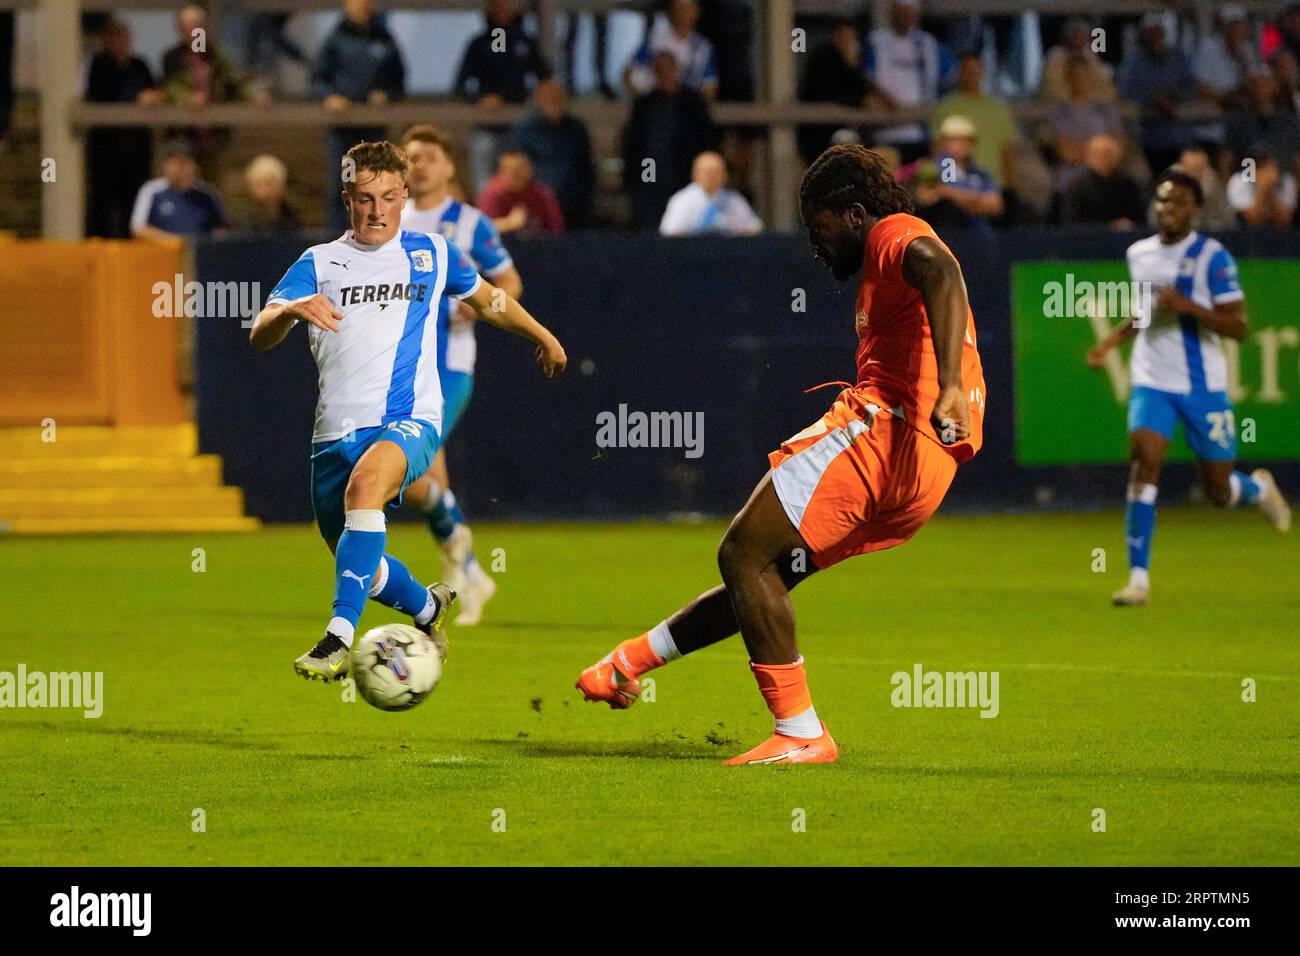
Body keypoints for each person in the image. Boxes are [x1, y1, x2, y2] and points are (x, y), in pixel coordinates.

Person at [576, 145, 987, 764]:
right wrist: (633, 657)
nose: (815, 243)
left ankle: (800, 733)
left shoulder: (891, 234)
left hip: (887, 432)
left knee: (743, 553)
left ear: (853, 213)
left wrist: (951, 384)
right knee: (761, 574)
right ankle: (630, 663)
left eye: (817, 224)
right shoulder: (881, 269)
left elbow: (941, 267)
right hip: (925, 471)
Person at [249, 139, 566, 680]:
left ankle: (337, 638)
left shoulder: (433, 252)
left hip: (410, 417)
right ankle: (427, 608)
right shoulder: (318, 262)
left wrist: (542, 334)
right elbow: (260, 334)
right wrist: (290, 309)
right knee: (362, 566)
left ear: (403, 196)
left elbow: (489, 299)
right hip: (332, 435)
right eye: (366, 198)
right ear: (347, 199)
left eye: (390, 197)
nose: (378, 211)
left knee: (365, 490)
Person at [1086, 166, 1291, 608]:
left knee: (1218, 490)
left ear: (1195, 208)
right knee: (1144, 462)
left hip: (1203, 386)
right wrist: (1111, 341)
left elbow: (1238, 327)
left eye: (1178, 201)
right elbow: (1144, 312)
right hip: (1152, 379)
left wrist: (1188, 306)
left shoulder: (1214, 257)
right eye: (1162, 200)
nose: (1168, 208)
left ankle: (1256, 488)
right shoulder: (1139, 253)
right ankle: (1138, 580)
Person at [400, 125, 525, 625]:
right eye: (411, 157)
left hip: (449, 366)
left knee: (407, 474)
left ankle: (462, 554)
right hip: (401, 369)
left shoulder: (470, 224)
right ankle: (471, 573)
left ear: (450, 167)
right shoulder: (393, 220)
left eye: (430, 156)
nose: (420, 165)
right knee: (429, 480)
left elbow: (509, 279)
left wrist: (479, 307)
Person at [314, 0, 406, 234]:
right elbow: (318, 79)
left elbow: (399, 80)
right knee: (343, 183)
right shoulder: (335, 39)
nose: (362, 6)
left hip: (374, 131)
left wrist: (386, 95)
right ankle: (338, 240)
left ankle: (378, 234)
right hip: (344, 131)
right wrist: (330, 97)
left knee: (377, 182)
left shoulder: (384, 38)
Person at [623, 51, 718, 229]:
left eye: (668, 69)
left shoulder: (692, 104)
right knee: (650, 229)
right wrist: (644, 180)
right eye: (659, 70)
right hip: (651, 180)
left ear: (676, 70)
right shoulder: (645, 105)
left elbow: (705, 141)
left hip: (683, 178)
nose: (664, 74)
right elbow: (638, 147)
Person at [85, 18, 161, 239]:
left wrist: (152, 98)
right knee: (103, 203)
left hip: (136, 149)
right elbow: (101, 97)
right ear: (107, 41)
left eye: (124, 38)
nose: (120, 42)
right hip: (106, 149)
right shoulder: (99, 65)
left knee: (134, 202)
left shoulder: (139, 64)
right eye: (115, 38)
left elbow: (155, 91)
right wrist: (135, 100)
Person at [863, 0, 956, 163]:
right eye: (900, 12)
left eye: (908, 12)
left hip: (920, 130)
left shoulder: (928, 44)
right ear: (892, 13)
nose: (904, 17)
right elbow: (865, 76)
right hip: (885, 130)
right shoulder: (877, 41)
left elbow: (949, 74)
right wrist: (885, 98)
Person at [505, 80, 594, 228]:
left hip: (573, 203)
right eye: (548, 99)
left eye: (557, 99)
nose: (553, 103)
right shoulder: (524, 130)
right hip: (535, 203)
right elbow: (513, 167)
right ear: (539, 101)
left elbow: (586, 168)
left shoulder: (577, 129)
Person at [931, 55, 1016, 185]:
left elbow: (1007, 150)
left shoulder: (998, 108)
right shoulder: (946, 107)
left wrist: (1009, 185)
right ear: (960, 74)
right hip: (957, 186)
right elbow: (939, 150)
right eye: (967, 71)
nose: (971, 75)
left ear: (982, 72)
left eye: (975, 70)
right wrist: (948, 183)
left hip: (993, 186)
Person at [455, 0, 552, 107]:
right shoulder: (479, 45)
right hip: (486, 114)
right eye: (498, 4)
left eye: (507, 3)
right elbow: (460, 85)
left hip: (519, 113)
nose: (503, 7)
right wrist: (480, 99)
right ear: (490, 7)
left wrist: (535, 98)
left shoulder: (526, 43)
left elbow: (546, 78)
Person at [130, 141, 227, 240]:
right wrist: (175, 241)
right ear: (165, 165)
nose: (179, 168)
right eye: (174, 163)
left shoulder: (207, 194)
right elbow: (139, 229)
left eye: (184, 162)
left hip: (200, 252)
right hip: (164, 251)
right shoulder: (152, 190)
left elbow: (220, 229)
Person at [623, 0, 718, 101]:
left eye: (687, 9)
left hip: (686, 107)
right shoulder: (655, 40)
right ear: (670, 13)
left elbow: (710, 85)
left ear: (696, 12)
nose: (682, 14)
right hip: (654, 104)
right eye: (679, 9)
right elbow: (628, 74)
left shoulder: (703, 47)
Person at [659, 150, 761, 235]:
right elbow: (669, 233)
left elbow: (754, 228)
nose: (711, 176)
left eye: (717, 172)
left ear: (725, 175)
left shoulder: (734, 200)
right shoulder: (682, 200)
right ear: (695, 174)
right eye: (707, 172)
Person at [1056, 133, 1144, 229]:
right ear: (1088, 157)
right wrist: (1108, 227)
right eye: (1098, 154)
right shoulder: (1077, 187)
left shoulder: (1128, 185)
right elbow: (1071, 222)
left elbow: (1139, 218)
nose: (1104, 159)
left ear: (1117, 156)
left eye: (1108, 154)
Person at [476, 149, 566, 234]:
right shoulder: (492, 194)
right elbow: (480, 230)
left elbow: (557, 230)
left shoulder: (542, 193)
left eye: (521, 169)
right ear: (502, 172)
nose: (517, 175)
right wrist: (509, 223)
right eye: (512, 171)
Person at [239, 155, 302, 233]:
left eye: (270, 183)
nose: (266, 190)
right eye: (259, 184)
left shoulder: (292, 215)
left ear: (282, 185)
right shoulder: (244, 220)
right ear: (251, 189)